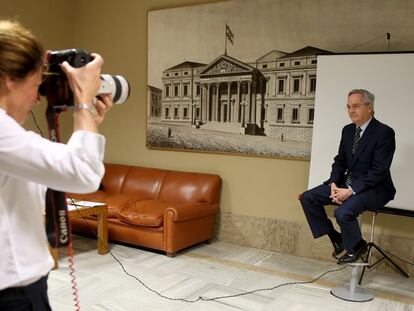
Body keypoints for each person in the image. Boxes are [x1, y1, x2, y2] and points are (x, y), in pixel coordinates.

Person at [0, 20, 113, 310]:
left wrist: (85, 121)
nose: (38, 98)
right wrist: (83, 105)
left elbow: (51, 168)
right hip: (13, 293)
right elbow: (85, 175)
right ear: (10, 79)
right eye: (36, 85)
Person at [300, 89, 396, 264]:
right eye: (349, 107)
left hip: (375, 187)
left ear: (370, 107)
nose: (351, 111)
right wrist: (334, 183)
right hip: (346, 183)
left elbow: (379, 170)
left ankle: (357, 246)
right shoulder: (348, 130)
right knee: (308, 198)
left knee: (343, 213)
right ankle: (336, 238)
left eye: (356, 106)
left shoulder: (384, 132)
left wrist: (350, 190)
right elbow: (340, 161)